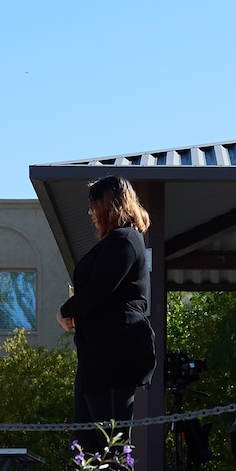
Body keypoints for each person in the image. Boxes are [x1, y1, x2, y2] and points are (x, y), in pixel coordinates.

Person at [56, 177, 158, 430]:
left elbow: (98, 290)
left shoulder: (124, 241)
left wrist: (66, 310)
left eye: (94, 205)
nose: (91, 213)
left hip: (113, 357)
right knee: (86, 446)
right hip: (97, 358)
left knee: (111, 443)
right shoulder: (118, 242)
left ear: (110, 206)